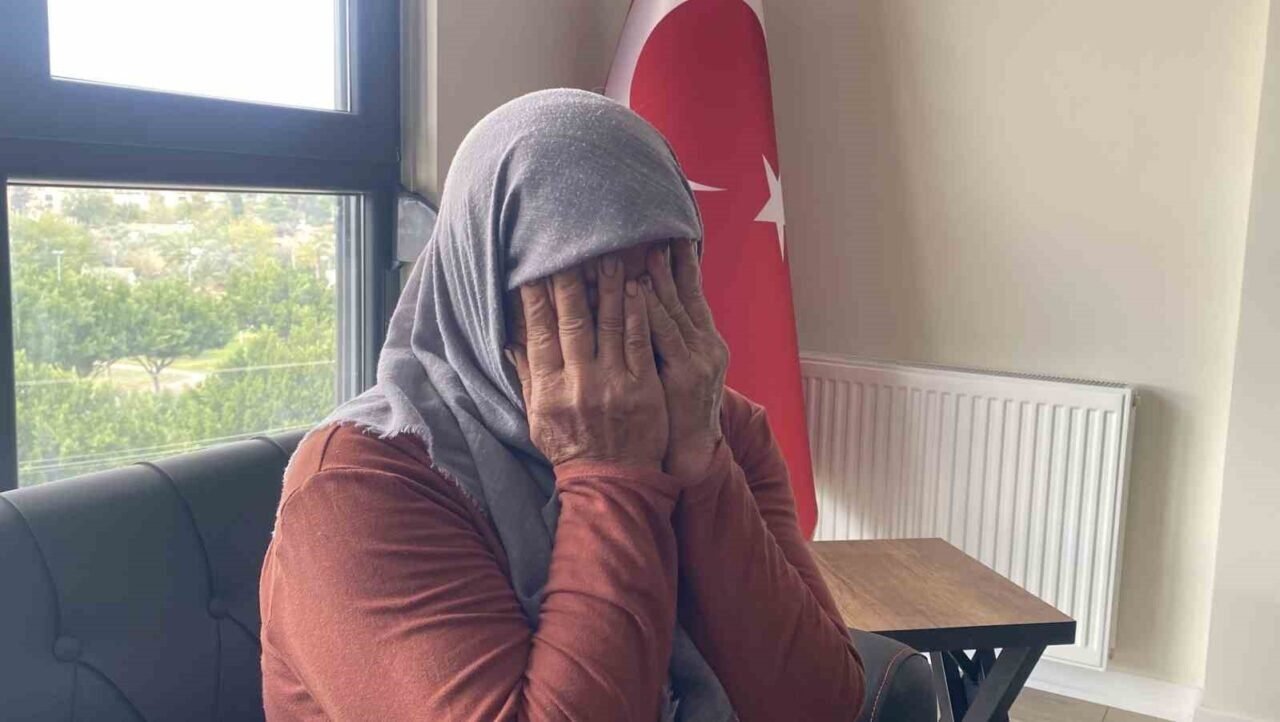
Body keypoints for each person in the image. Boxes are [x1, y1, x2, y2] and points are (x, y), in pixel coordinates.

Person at [259, 89, 932, 721]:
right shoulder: (357, 487)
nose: (634, 343)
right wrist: (608, 475)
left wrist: (702, 467)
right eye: (583, 302)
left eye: (666, 287)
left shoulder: (720, 424)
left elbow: (820, 706)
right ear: (480, 294)